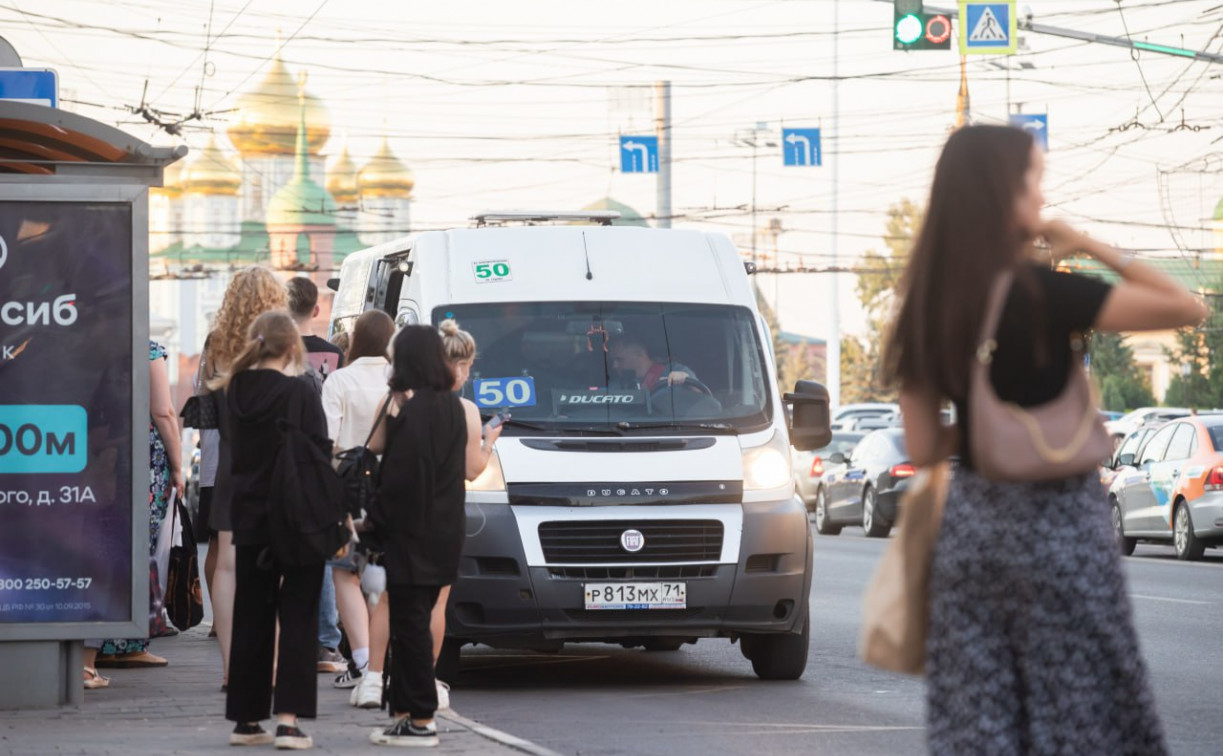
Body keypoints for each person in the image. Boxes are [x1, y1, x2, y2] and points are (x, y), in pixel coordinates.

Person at [883, 124, 1205, 755]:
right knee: (1082, 713)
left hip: (973, 536)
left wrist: (983, 419)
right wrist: (1086, 242)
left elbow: (922, 449)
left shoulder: (922, 302)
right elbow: (1185, 307)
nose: (1040, 195)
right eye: (1033, 181)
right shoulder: (1042, 292)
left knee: (981, 722)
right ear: (1003, 194)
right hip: (1062, 531)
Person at [222, 311, 334, 750]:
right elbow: (320, 451)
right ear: (292, 347)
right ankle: (288, 722)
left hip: (249, 517)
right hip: (297, 517)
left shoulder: (235, 392)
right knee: (299, 614)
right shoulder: (300, 391)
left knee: (252, 615)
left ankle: (246, 721)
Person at [366, 326, 468, 748]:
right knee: (415, 626)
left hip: (413, 535)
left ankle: (420, 720)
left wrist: (373, 524)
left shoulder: (415, 411)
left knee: (409, 630)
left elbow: (404, 480)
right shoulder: (450, 407)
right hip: (444, 532)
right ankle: (406, 713)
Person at [203, 266, 288, 691]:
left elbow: (207, 404)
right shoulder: (281, 340)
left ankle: (232, 668)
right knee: (272, 568)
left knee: (229, 567)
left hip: (233, 464)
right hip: (275, 466)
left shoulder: (216, 342)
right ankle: (268, 666)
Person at [87, 340, 186, 682]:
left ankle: (98, 642)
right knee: (137, 547)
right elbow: (163, 411)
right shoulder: (147, 350)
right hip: (140, 460)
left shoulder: (90, 345)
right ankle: (126, 641)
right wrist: (177, 465)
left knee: (105, 544)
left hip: (98, 456)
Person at [319, 310, 396, 707]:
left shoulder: (340, 380)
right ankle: (380, 662)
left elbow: (326, 439)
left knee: (345, 571)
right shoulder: (397, 380)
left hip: (346, 487)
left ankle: (365, 662)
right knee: (381, 569)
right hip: (388, 485)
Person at [430, 319, 503, 711]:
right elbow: (473, 470)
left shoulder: (406, 401)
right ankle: (428, 679)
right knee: (437, 603)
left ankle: (383, 675)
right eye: (469, 366)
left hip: (407, 512)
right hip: (445, 513)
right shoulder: (466, 411)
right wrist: (488, 442)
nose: (469, 373)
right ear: (457, 366)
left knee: (403, 600)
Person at [286, 275, 348, 675]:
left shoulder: (273, 353)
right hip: (328, 460)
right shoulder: (334, 354)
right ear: (317, 309)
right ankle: (327, 642)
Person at [608, 335, 697, 392]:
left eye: (619, 360)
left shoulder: (675, 370)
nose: (614, 366)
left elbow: (704, 398)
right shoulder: (618, 385)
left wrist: (686, 380)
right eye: (613, 361)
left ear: (639, 355)